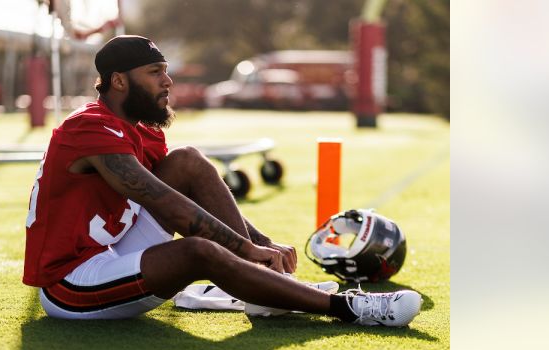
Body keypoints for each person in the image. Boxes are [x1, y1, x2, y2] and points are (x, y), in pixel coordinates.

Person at [22, 35, 422, 327]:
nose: (167, 82)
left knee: (188, 162)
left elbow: (188, 191)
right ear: (119, 81)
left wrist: (261, 243)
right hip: (71, 282)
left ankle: (271, 286)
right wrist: (245, 250)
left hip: (112, 248)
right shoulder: (89, 127)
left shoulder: (144, 130)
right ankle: (348, 309)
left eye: (166, 71)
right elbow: (158, 198)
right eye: (154, 72)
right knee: (198, 251)